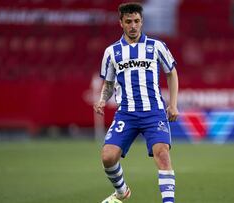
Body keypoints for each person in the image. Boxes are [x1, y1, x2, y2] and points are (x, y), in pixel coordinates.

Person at [93, 2, 179, 203]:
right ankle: (122, 192)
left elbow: (171, 73)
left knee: (162, 154)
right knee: (108, 157)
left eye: (137, 21)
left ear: (142, 22)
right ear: (121, 23)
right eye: (129, 21)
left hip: (154, 112)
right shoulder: (111, 52)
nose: (133, 25)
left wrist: (173, 104)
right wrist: (102, 100)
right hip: (126, 114)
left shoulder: (156, 46)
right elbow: (109, 83)